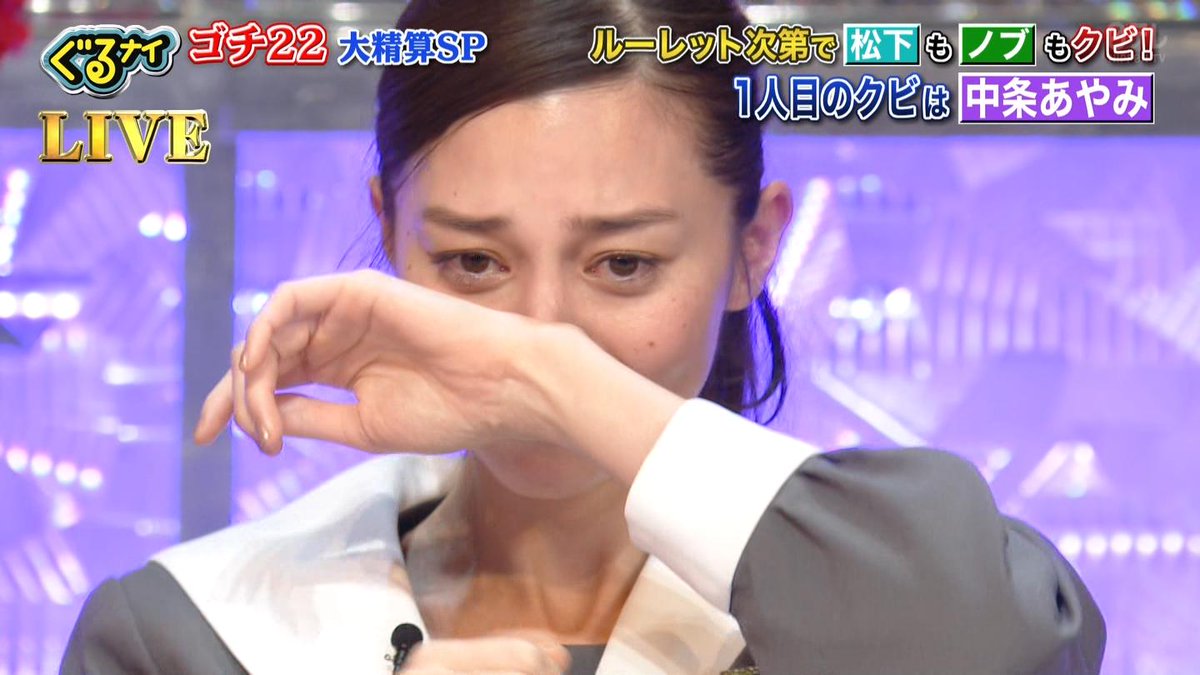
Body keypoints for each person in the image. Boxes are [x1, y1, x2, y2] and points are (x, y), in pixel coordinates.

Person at [60, 1, 1106, 673]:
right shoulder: (187, 636)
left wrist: (545, 379)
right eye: (474, 261)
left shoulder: (904, 598)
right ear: (389, 232)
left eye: (624, 263)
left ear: (755, 246)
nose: (539, 334)